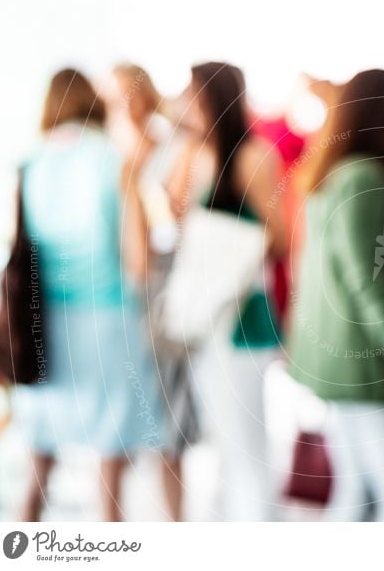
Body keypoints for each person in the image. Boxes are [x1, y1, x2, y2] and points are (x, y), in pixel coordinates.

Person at [14, 68, 163, 521]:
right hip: (107, 314)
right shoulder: (111, 157)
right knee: (110, 455)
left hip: (45, 318)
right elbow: (137, 260)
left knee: (40, 452)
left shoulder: (32, 160)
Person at [289, 69, 384, 521]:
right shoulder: (363, 178)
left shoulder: (342, 173)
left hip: (345, 364)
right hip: (369, 367)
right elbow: (367, 277)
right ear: (380, 109)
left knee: (358, 494)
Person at [166, 62, 286, 521]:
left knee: (249, 448)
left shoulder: (253, 156)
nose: (184, 104)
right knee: (225, 446)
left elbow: (279, 235)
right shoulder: (197, 154)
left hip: (242, 316)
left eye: (192, 94)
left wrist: (228, 245)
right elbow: (173, 215)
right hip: (205, 319)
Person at [107, 63, 196, 522]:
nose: (117, 104)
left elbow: (168, 229)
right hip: (118, 298)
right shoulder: (109, 153)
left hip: (158, 294)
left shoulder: (168, 148)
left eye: (124, 93)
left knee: (167, 417)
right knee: (117, 424)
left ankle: (176, 522)